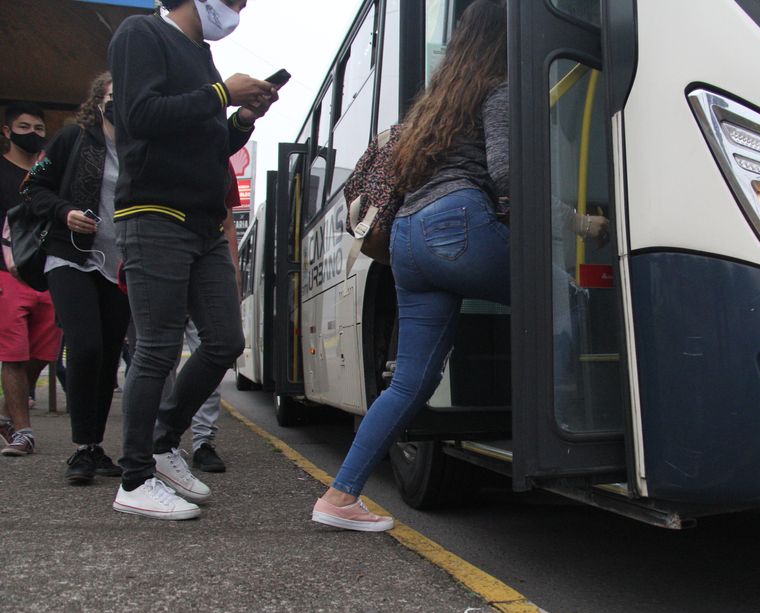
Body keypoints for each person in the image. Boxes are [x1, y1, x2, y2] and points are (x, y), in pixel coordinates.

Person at [311, 0, 608, 532]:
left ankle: (339, 496)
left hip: (407, 241)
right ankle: (562, 446)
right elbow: (512, 179)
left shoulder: (435, 104)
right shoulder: (500, 90)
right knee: (565, 298)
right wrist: (581, 226)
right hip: (457, 228)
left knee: (408, 384)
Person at [108, 0, 276, 519]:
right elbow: (140, 115)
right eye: (232, 2)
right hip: (154, 214)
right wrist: (224, 93)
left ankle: (162, 444)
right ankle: (133, 481)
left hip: (204, 223)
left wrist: (242, 119)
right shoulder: (141, 33)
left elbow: (208, 140)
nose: (237, 11)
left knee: (226, 340)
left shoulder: (201, 56)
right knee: (157, 348)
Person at [20, 72, 132, 483]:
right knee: (84, 348)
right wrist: (65, 211)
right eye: (112, 95)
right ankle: (81, 449)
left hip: (119, 264)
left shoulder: (142, 149)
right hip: (70, 257)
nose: (120, 102)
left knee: (106, 357)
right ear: (98, 99)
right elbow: (33, 187)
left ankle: (93, 446)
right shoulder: (72, 139)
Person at [159, 165, 243, 474]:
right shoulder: (155, 141)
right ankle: (159, 440)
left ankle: (202, 441)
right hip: (163, 257)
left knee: (216, 349)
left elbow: (228, 221)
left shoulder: (219, 156)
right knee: (158, 356)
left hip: (207, 261)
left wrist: (233, 272)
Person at [0, 102, 63, 457]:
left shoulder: (48, 172)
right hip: (5, 274)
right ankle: (23, 431)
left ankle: (7, 413)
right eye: (24, 127)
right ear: (7, 131)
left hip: (47, 273)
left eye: (39, 128)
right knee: (13, 353)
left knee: (43, 352)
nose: (33, 134)